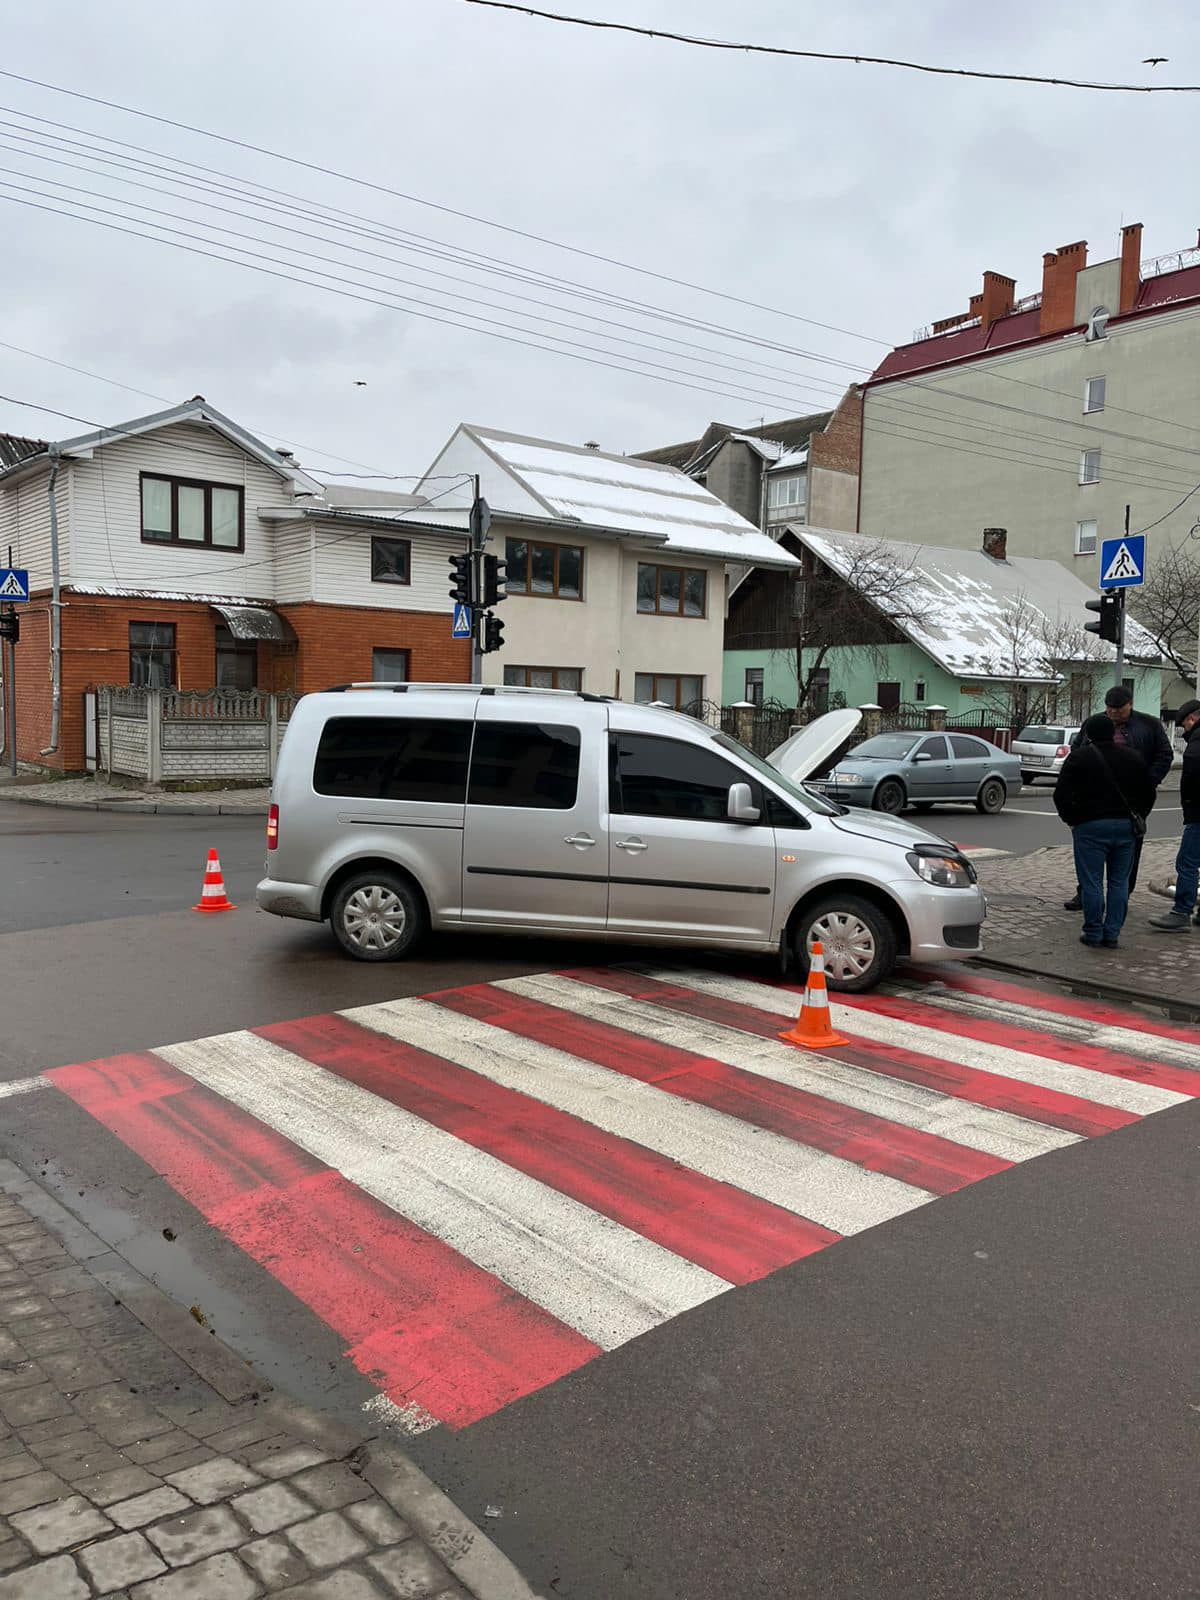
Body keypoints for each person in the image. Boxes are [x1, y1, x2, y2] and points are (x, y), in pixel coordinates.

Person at [1062, 685, 1172, 909]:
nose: (1113, 713)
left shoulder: (1149, 725)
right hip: (1093, 799)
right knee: (1090, 854)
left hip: (1131, 801)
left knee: (1128, 853)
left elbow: (1165, 755)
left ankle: (1122, 896)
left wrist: (1149, 782)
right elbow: (1076, 750)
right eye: (1110, 709)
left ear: (1130, 705)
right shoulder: (1093, 723)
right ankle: (1085, 893)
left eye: (1118, 709)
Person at [1054, 712, 1156, 948]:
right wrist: (1138, 816)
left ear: (1088, 734)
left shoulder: (1078, 758)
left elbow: (1061, 794)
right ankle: (1112, 933)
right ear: (1112, 733)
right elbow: (1148, 793)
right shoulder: (1133, 757)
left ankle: (1093, 932)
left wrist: (1072, 819)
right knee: (1119, 882)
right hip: (1125, 828)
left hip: (1089, 827)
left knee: (1091, 882)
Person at [1148, 698, 1200, 931]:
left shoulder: (1197, 742)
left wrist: (1190, 804)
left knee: (1187, 862)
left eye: (1184, 725)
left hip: (1198, 815)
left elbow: (1193, 769)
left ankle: (1181, 912)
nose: (1184, 730)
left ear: (1192, 719)